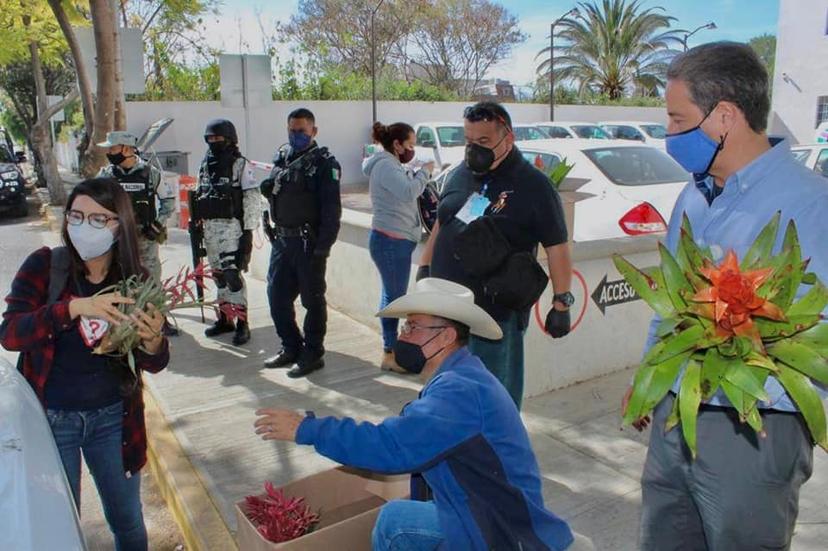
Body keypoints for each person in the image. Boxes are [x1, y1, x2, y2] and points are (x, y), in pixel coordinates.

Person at [624, 42, 828, 550]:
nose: (669, 133)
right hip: (674, 416)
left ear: (724, 118)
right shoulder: (691, 194)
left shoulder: (813, 204)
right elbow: (671, 303)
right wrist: (650, 376)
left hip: (755, 430)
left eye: (676, 118)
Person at [255, 278, 591, 551]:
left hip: (498, 527)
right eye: (404, 326)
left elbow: (392, 447)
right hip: (483, 509)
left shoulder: (459, 392)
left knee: (394, 523)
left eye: (413, 327)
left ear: (445, 336)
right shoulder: (462, 376)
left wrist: (307, 429)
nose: (403, 335)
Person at [0, 178, 170, 551]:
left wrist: (154, 340)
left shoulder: (134, 281)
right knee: (59, 524)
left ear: (118, 225)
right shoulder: (47, 266)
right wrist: (73, 308)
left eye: (98, 219)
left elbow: (155, 362)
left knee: (127, 521)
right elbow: (11, 333)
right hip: (51, 421)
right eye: (76, 215)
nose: (82, 226)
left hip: (113, 420)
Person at [418, 101, 573, 408]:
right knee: (449, 395)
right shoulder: (460, 173)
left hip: (495, 316)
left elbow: (557, 246)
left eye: (484, 142)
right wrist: (424, 266)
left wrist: (562, 302)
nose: (474, 149)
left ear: (508, 139)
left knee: (493, 400)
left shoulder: (534, 185)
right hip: (447, 310)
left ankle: (499, 453)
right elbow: (443, 221)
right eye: (469, 141)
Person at [261, 108, 342, 378]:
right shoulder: (282, 158)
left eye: (302, 131)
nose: (296, 135)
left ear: (314, 131)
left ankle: (313, 353)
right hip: (282, 240)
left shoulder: (324, 164)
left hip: (309, 244)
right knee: (277, 297)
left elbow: (332, 211)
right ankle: (291, 346)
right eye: (292, 131)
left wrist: (323, 248)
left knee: (312, 300)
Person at [363, 121, 434, 373]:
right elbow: (407, 193)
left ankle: (390, 350)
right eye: (410, 145)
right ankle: (389, 354)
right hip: (391, 241)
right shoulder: (385, 166)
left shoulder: (391, 165)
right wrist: (424, 172)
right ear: (396, 144)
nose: (413, 149)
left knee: (391, 296)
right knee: (395, 299)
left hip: (395, 240)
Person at [97, 131, 178, 336]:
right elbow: (93, 200)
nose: (109, 152)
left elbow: (169, 201)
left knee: (151, 279)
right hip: (118, 239)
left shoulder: (151, 174)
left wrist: (157, 225)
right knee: (119, 278)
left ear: (126, 149)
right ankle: (123, 320)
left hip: (145, 238)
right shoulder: (106, 175)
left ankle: (159, 319)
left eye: (112, 148)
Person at [193, 118, 260, 346]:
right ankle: (224, 319)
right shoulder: (204, 164)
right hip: (210, 230)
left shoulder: (240, 164)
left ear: (229, 139)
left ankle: (243, 323)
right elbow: (198, 192)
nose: (213, 142)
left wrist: (249, 233)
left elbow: (251, 199)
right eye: (209, 139)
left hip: (232, 230)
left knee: (233, 277)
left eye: (218, 138)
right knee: (219, 277)